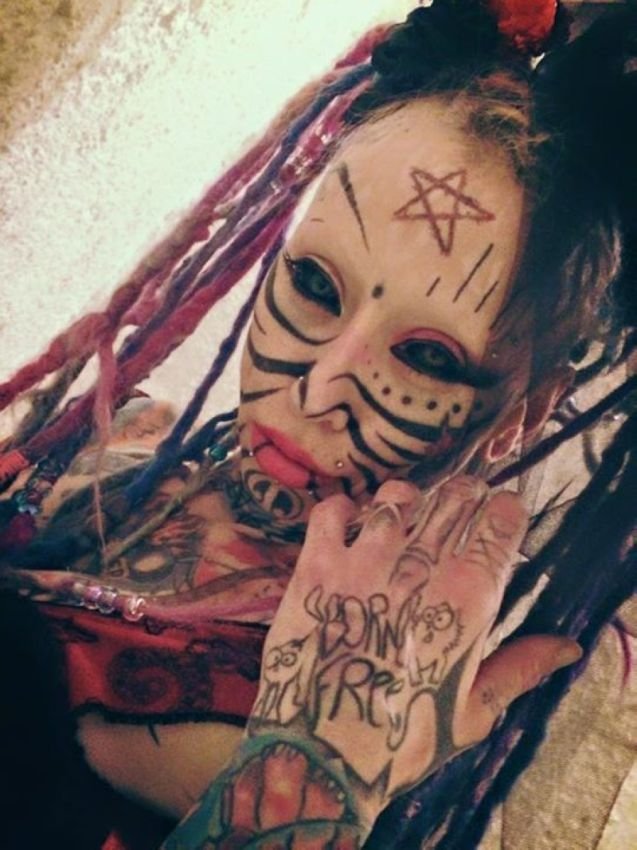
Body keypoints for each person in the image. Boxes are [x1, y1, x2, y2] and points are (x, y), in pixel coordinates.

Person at [0, 1, 635, 848]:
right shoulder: (127, 435)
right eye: (314, 284)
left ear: (528, 410)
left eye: (427, 356)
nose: (318, 386)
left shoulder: (366, 701)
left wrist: (320, 765)